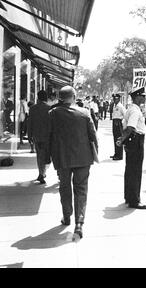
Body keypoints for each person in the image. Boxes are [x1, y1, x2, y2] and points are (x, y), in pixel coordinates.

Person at [48, 86, 98, 239]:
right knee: (81, 189)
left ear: (60, 98)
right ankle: (79, 223)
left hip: (62, 158)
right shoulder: (84, 113)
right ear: (74, 96)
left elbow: (48, 136)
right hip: (83, 158)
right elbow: (93, 135)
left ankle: (67, 215)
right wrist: (96, 153)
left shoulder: (53, 114)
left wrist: (48, 157)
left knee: (64, 187)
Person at [116, 87, 146, 209]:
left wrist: (122, 139)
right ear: (137, 97)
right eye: (142, 96)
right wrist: (122, 139)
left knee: (130, 169)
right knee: (135, 171)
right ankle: (134, 200)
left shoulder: (132, 109)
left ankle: (128, 196)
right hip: (136, 141)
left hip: (132, 141)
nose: (144, 98)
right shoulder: (135, 110)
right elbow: (130, 127)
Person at [28, 91, 51, 184]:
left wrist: (29, 135)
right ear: (46, 98)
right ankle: (43, 173)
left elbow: (30, 123)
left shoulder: (32, 109)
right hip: (47, 137)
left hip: (37, 136)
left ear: (38, 98)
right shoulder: (49, 108)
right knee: (47, 156)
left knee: (39, 155)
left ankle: (41, 173)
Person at [110, 94, 125, 160]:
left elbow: (125, 115)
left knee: (119, 138)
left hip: (119, 122)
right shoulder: (114, 105)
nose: (114, 100)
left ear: (119, 99)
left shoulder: (120, 106)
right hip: (114, 122)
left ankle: (120, 155)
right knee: (115, 138)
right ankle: (116, 153)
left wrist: (122, 123)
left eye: (116, 98)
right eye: (114, 99)